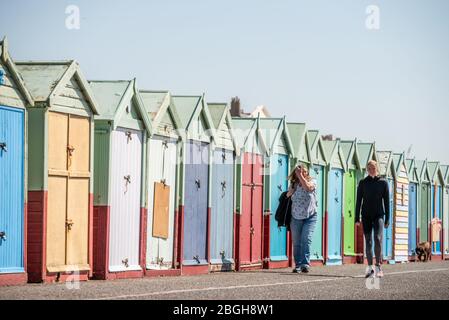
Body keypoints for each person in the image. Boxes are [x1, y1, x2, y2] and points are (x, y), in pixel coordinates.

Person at [355, 160, 390, 278]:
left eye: (373, 168)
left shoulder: (383, 183)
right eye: (369, 168)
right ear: (367, 169)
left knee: (378, 238)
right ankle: (370, 268)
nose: (371, 170)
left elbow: (386, 202)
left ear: (377, 168)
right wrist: (356, 218)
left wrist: (387, 219)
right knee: (368, 241)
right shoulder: (363, 183)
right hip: (366, 216)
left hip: (379, 215)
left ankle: (379, 266)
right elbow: (358, 201)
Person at [286, 164, 318, 274]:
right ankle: (298, 265)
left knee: (306, 239)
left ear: (307, 173)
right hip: (295, 217)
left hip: (310, 216)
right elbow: (288, 195)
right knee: (296, 242)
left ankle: (305, 264)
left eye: (304, 171)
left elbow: (308, 188)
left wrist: (301, 177)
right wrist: (292, 190)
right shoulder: (293, 184)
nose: (302, 173)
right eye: (299, 172)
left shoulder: (313, 181)